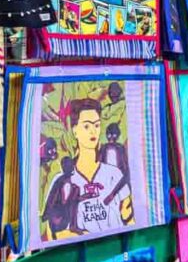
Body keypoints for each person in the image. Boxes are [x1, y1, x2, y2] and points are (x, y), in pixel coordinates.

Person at [45, 98, 133, 239]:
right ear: (75, 131)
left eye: (97, 125)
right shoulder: (61, 180)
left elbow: (129, 217)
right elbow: (52, 231)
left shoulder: (114, 174)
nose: (93, 131)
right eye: (87, 126)